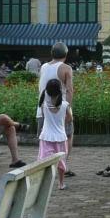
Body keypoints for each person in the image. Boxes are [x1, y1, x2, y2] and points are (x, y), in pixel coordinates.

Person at [37, 42, 75, 176]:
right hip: (59, 110)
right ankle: (63, 167)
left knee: (45, 140)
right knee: (67, 136)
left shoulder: (43, 67)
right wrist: (67, 109)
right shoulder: (66, 68)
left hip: (43, 108)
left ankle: (46, 168)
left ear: (52, 53)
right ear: (66, 54)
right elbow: (69, 90)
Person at [37, 77, 72, 190]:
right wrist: (62, 123)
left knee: (43, 161)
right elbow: (70, 118)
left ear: (47, 91)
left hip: (46, 136)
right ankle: (61, 184)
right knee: (61, 162)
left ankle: (42, 184)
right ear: (60, 90)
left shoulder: (44, 105)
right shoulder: (65, 105)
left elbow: (44, 117)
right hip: (61, 137)